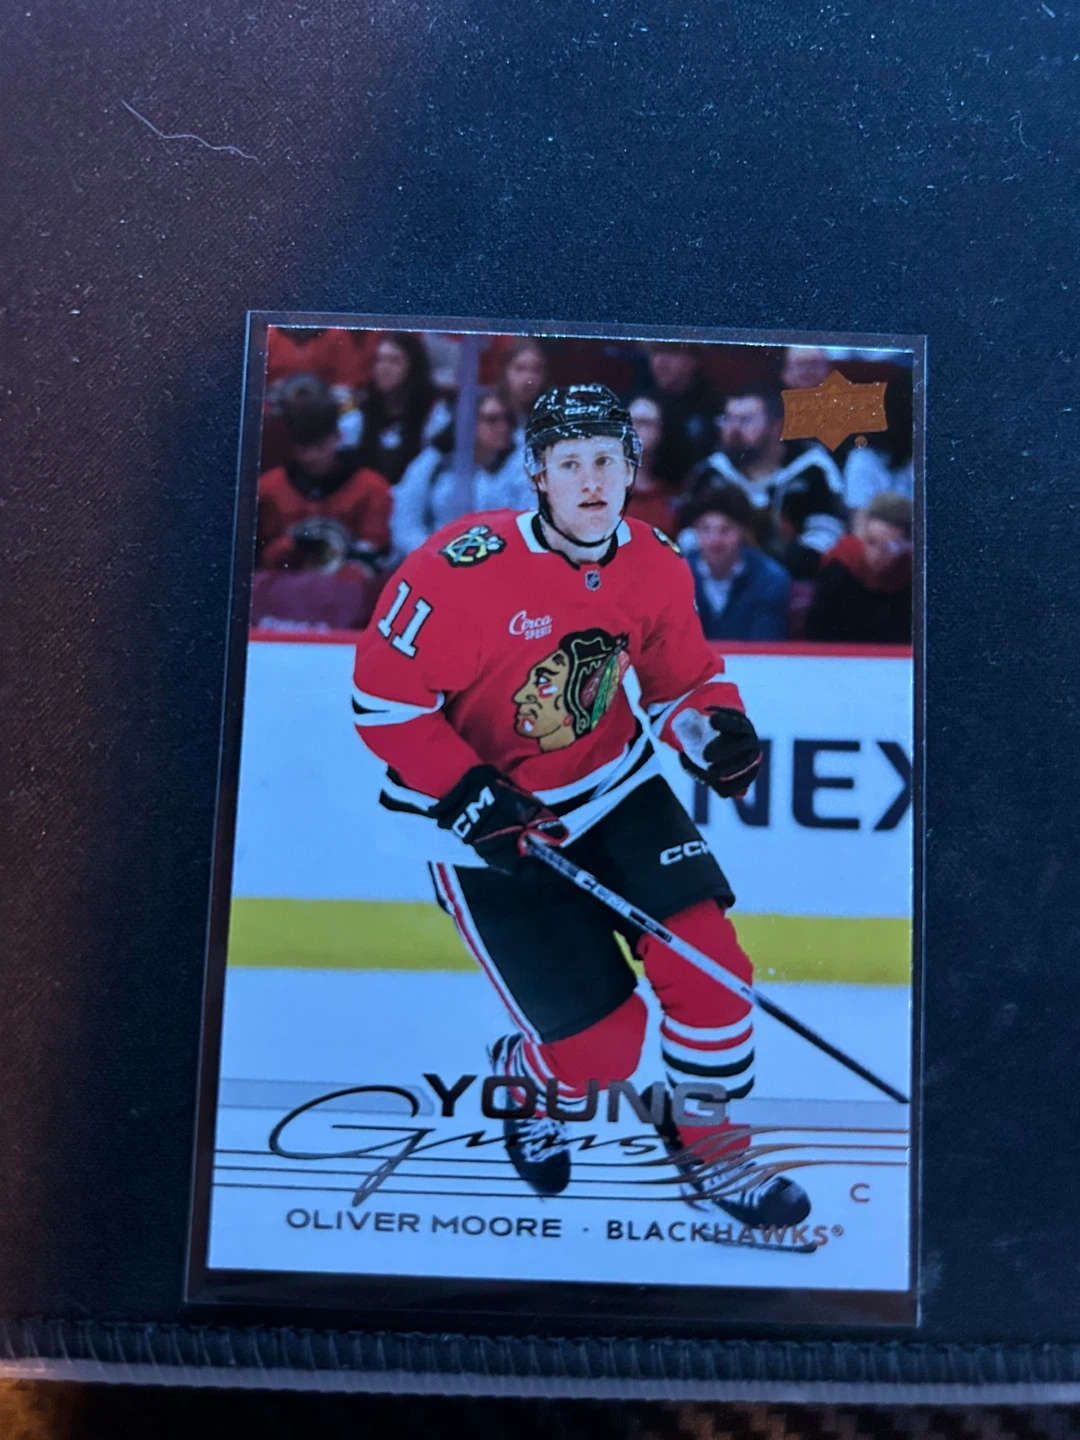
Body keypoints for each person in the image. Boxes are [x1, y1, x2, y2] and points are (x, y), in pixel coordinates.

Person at [351, 384, 811, 1234]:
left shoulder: (655, 560)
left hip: (616, 792)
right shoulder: (459, 571)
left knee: (715, 976)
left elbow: (684, 682)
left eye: (607, 460)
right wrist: (467, 790)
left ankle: (711, 1147)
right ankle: (532, 1081)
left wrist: (712, 731)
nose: (591, 481)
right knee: (603, 1051)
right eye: (570, 464)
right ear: (537, 473)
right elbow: (383, 703)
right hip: (489, 831)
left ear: (632, 468)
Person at [688, 386, 847, 580]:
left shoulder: (811, 469)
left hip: (796, 579)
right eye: (727, 419)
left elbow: (828, 531)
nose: (734, 429)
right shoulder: (712, 472)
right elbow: (687, 533)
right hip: (719, 580)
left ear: (776, 427)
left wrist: (784, 569)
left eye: (745, 420)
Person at [257, 379, 392, 575]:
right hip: (284, 586)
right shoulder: (269, 488)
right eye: (303, 447)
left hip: (347, 588)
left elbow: (375, 555)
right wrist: (290, 545)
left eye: (319, 446)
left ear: (337, 436)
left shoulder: (371, 488)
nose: (310, 456)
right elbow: (260, 559)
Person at [390, 390, 533, 557]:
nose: (503, 427)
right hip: (433, 556)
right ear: (467, 422)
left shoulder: (522, 464)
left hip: (498, 557)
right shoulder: (433, 461)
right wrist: (436, 555)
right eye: (492, 420)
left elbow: (527, 524)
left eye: (507, 419)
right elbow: (405, 524)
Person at [683, 485, 792, 641]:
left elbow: (766, 645)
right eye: (705, 529)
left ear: (742, 531)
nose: (715, 540)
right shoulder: (676, 577)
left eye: (726, 529)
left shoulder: (770, 579)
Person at [805, 492, 913, 644]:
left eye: (889, 547)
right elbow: (817, 633)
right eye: (871, 542)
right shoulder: (839, 568)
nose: (876, 555)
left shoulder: (912, 576)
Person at [353, 331, 451, 487]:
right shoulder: (359, 417)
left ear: (413, 367)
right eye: (379, 360)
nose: (384, 368)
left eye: (394, 361)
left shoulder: (434, 417)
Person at [642, 342, 722, 486]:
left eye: (672, 352)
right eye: (656, 352)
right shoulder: (637, 403)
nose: (661, 362)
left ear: (694, 360)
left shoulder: (713, 406)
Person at [622, 394, 684, 538]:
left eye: (645, 423)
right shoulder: (603, 486)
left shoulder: (673, 492)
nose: (636, 429)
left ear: (661, 431)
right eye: (630, 422)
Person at [497, 338, 548, 445]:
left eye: (536, 370)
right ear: (505, 371)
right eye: (520, 368)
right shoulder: (490, 414)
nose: (528, 379)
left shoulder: (547, 418)